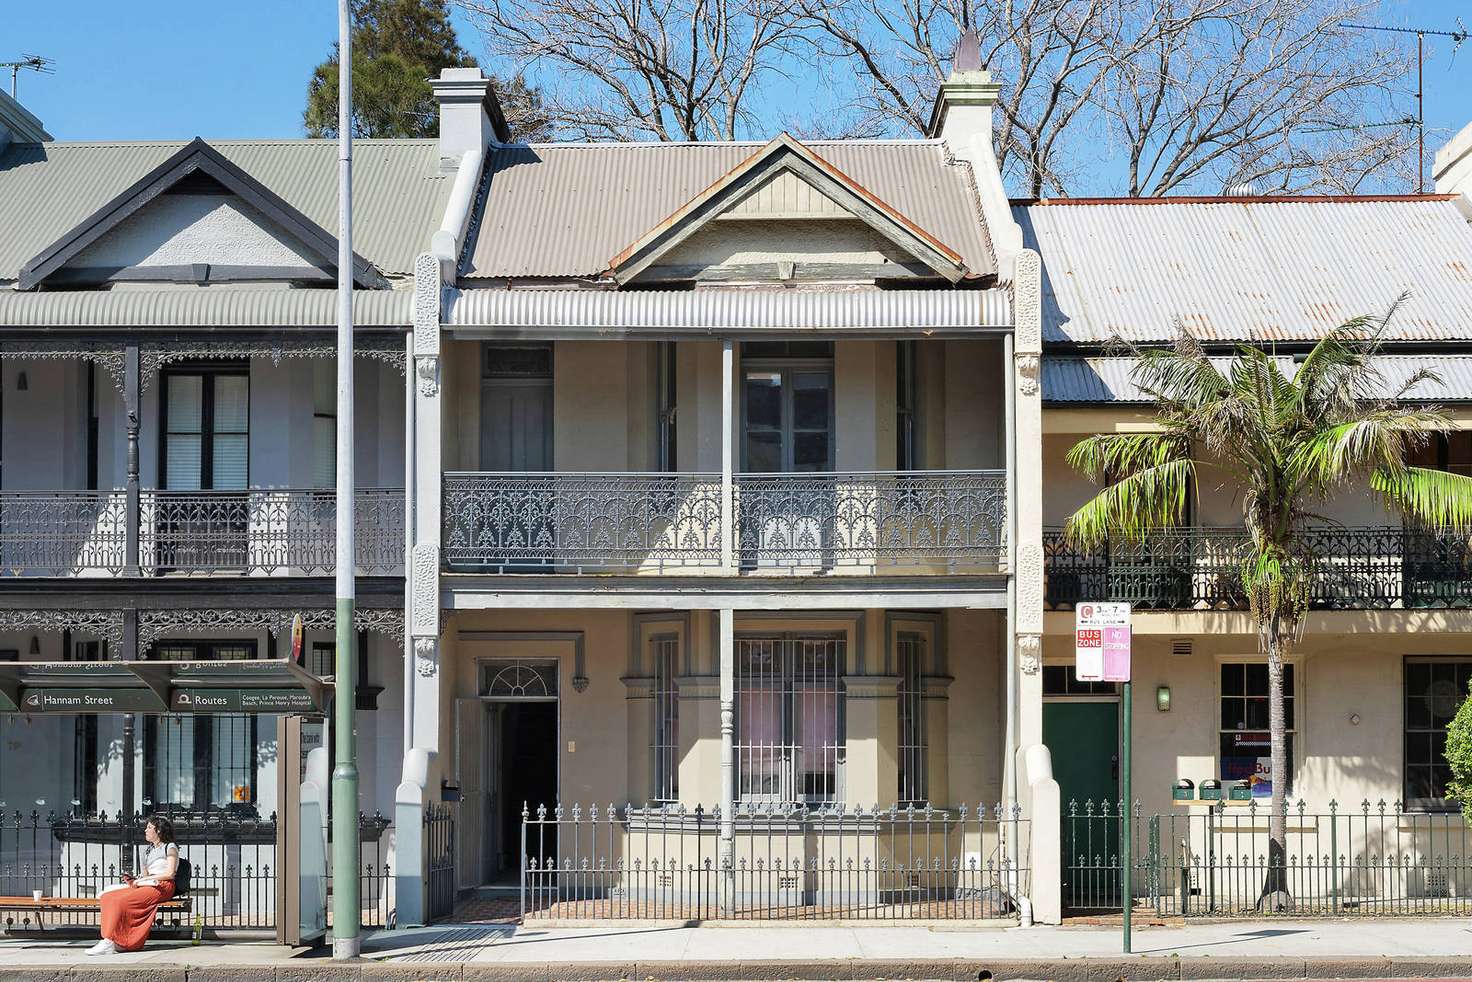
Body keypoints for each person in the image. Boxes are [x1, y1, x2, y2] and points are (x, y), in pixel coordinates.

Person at [87, 815, 179, 955]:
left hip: (163, 886)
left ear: (159, 831)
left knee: (121, 900)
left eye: (149, 827)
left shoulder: (170, 847)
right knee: (107, 897)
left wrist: (143, 881)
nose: (145, 831)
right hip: (148, 884)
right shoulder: (147, 851)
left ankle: (109, 941)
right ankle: (112, 940)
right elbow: (146, 875)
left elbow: (170, 873)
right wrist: (135, 880)